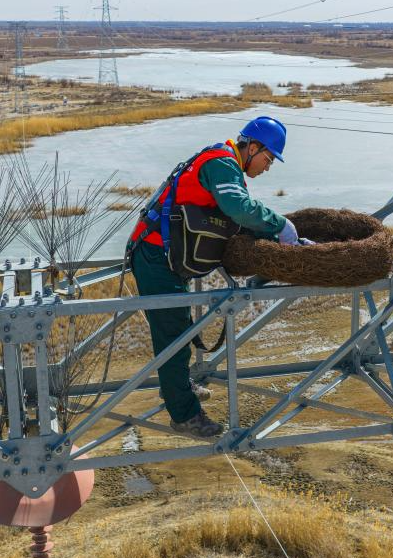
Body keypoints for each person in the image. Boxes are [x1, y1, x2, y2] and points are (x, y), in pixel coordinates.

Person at [126, 116, 298, 438]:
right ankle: (185, 416)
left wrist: (281, 239)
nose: (268, 166)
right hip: (154, 257)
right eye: (269, 158)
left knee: (177, 331)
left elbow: (234, 218)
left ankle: (177, 387)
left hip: (164, 257)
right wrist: (280, 224)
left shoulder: (226, 163)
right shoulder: (221, 162)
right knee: (173, 337)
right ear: (254, 146)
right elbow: (239, 209)